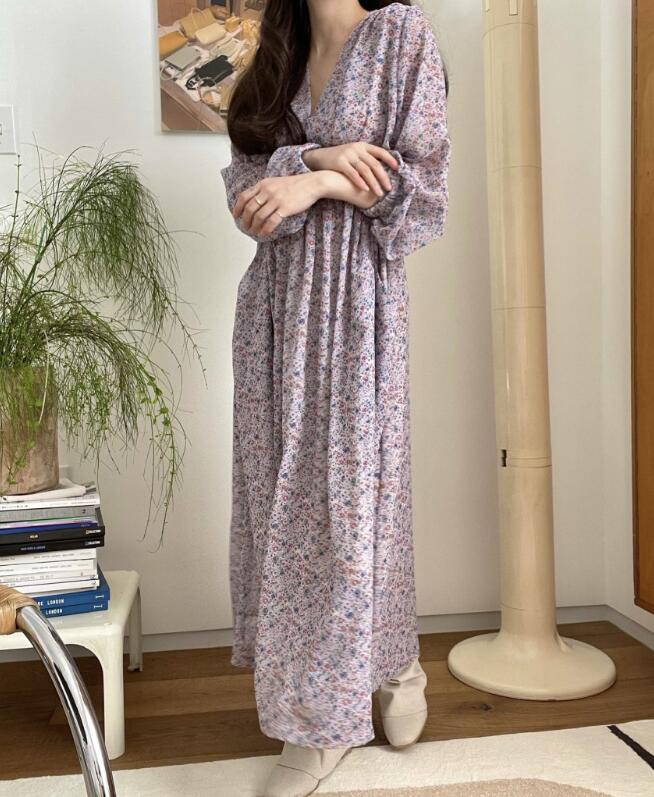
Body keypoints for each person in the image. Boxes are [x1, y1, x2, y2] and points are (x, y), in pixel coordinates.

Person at [220, 1, 451, 794]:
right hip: (274, 310)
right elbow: (246, 189)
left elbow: (424, 188)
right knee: (281, 504)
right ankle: (362, 679)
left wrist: (315, 180)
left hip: (356, 305)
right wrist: (316, 157)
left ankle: (343, 703)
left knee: (350, 503)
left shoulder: (401, 35)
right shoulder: (274, 55)